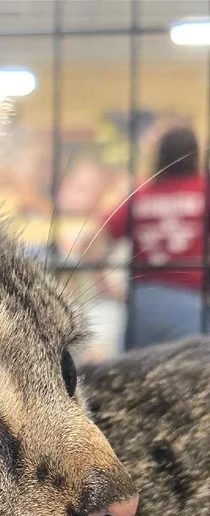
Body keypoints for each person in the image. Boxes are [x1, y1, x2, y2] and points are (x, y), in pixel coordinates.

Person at [101, 126, 207, 349]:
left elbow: (93, 243)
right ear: (195, 156)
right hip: (190, 301)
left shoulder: (140, 195)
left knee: (135, 368)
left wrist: (104, 285)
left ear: (159, 156)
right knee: (192, 366)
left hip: (143, 301)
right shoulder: (203, 192)